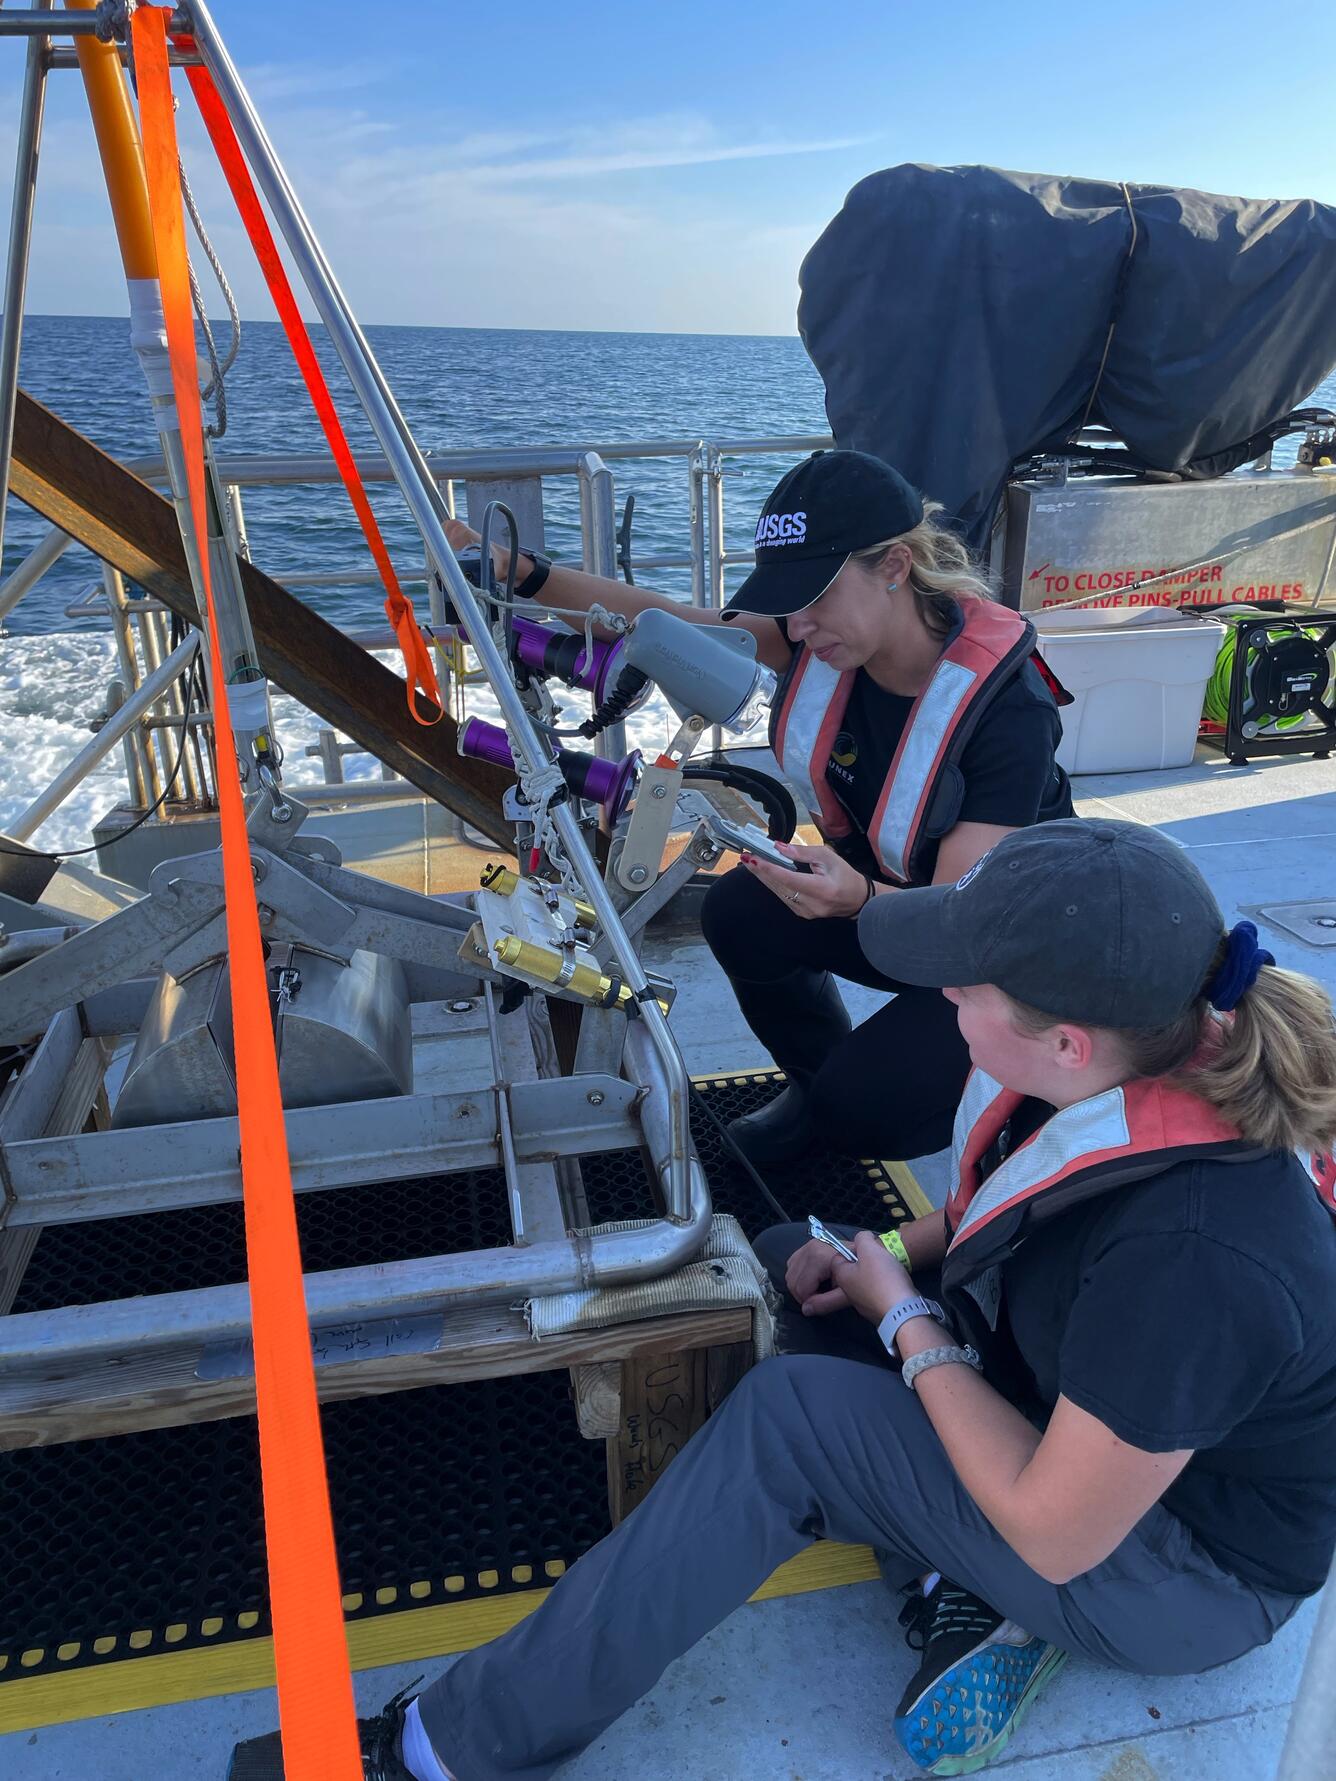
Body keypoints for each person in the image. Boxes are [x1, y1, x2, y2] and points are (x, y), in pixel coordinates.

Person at [230, 819, 1336, 1780]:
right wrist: (876, 1251)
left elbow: (1055, 1528)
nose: (941, 988)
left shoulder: (1200, 1255)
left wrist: (903, 1316)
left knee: (793, 1423)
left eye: (967, 980)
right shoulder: (1129, 1063)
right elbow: (1015, 1202)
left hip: (1166, 1567)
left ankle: (441, 1749)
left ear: (1063, 1037)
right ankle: (949, 1584)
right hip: (1076, 1420)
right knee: (776, 1260)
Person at [441, 449, 1072, 1168]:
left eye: (817, 597)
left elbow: (952, 924)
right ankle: (817, 1088)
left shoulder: (1009, 713)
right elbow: (665, 623)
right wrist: (525, 574)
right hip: (890, 891)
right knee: (740, 914)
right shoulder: (818, 638)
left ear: (895, 566)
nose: (797, 627)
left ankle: (1029, 1096)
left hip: (1004, 944)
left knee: (867, 1111)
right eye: (788, 600)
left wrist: (856, 897)